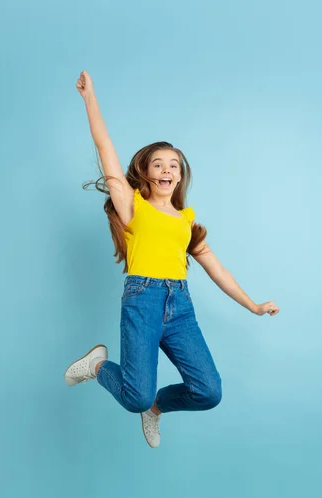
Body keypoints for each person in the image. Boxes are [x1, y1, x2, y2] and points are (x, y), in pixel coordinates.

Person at [64, 70, 280, 448]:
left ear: (180, 177)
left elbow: (217, 269)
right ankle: (97, 365)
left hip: (180, 306)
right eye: (159, 164)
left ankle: (157, 409)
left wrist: (254, 306)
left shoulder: (187, 220)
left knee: (209, 391)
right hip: (142, 301)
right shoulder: (133, 206)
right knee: (135, 396)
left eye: (174, 165)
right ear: (145, 172)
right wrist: (89, 99)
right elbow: (105, 146)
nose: (167, 169)